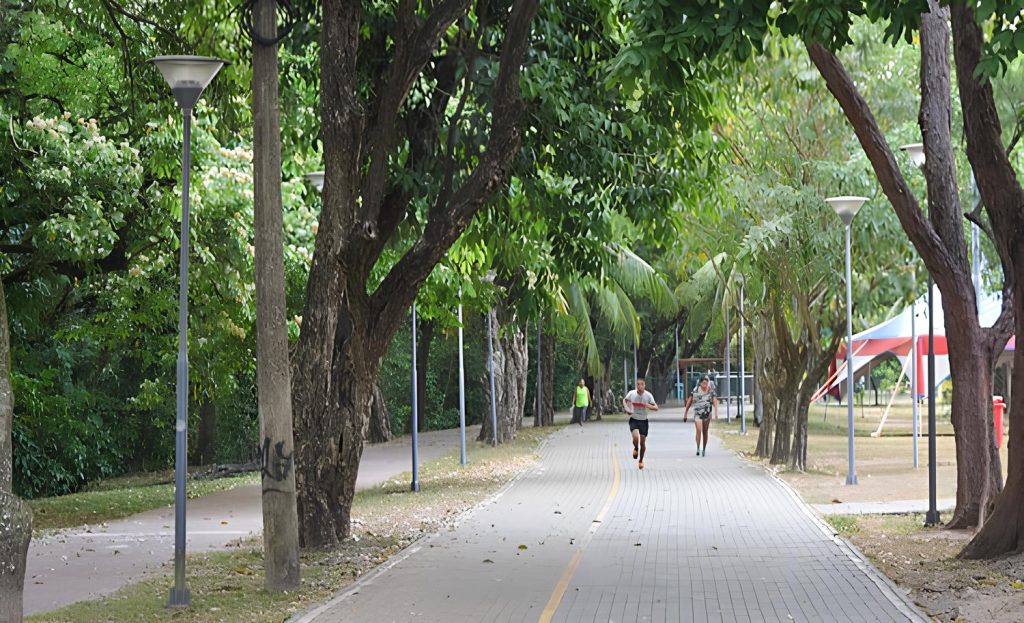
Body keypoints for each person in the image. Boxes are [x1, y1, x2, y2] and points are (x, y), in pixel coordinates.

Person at [622, 378, 659, 470]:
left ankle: (641, 460)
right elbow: (624, 400)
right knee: (635, 437)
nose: (639, 386)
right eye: (638, 384)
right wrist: (627, 409)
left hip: (643, 421)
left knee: (642, 443)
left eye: (642, 384)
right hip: (634, 419)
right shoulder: (632, 393)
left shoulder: (648, 395)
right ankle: (635, 448)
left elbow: (656, 407)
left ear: (644, 386)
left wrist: (647, 405)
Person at [684, 375, 718, 456]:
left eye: (706, 383)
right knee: (698, 430)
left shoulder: (710, 391)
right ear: (700, 383)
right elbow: (689, 402)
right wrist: (685, 413)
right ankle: (698, 448)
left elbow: (715, 402)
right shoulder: (695, 390)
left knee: (705, 432)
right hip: (698, 413)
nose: (705, 385)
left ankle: (704, 448)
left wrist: (716, 413)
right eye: (703, 383)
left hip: (707, 414)